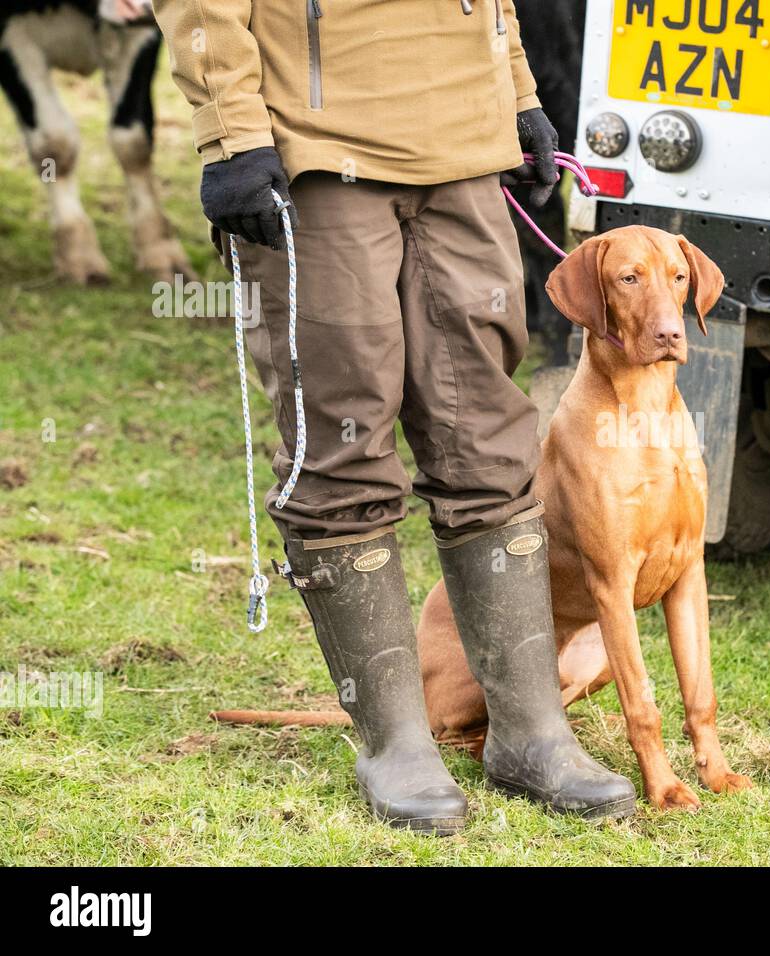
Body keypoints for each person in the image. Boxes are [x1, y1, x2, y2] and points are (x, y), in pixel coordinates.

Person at [152, 0, 635, 834]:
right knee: (343, 433)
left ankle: (529, 731)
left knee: (488, 436)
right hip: (313, 148)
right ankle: (394, 743)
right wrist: (233, 135)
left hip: (464, 148)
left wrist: (512, 91)